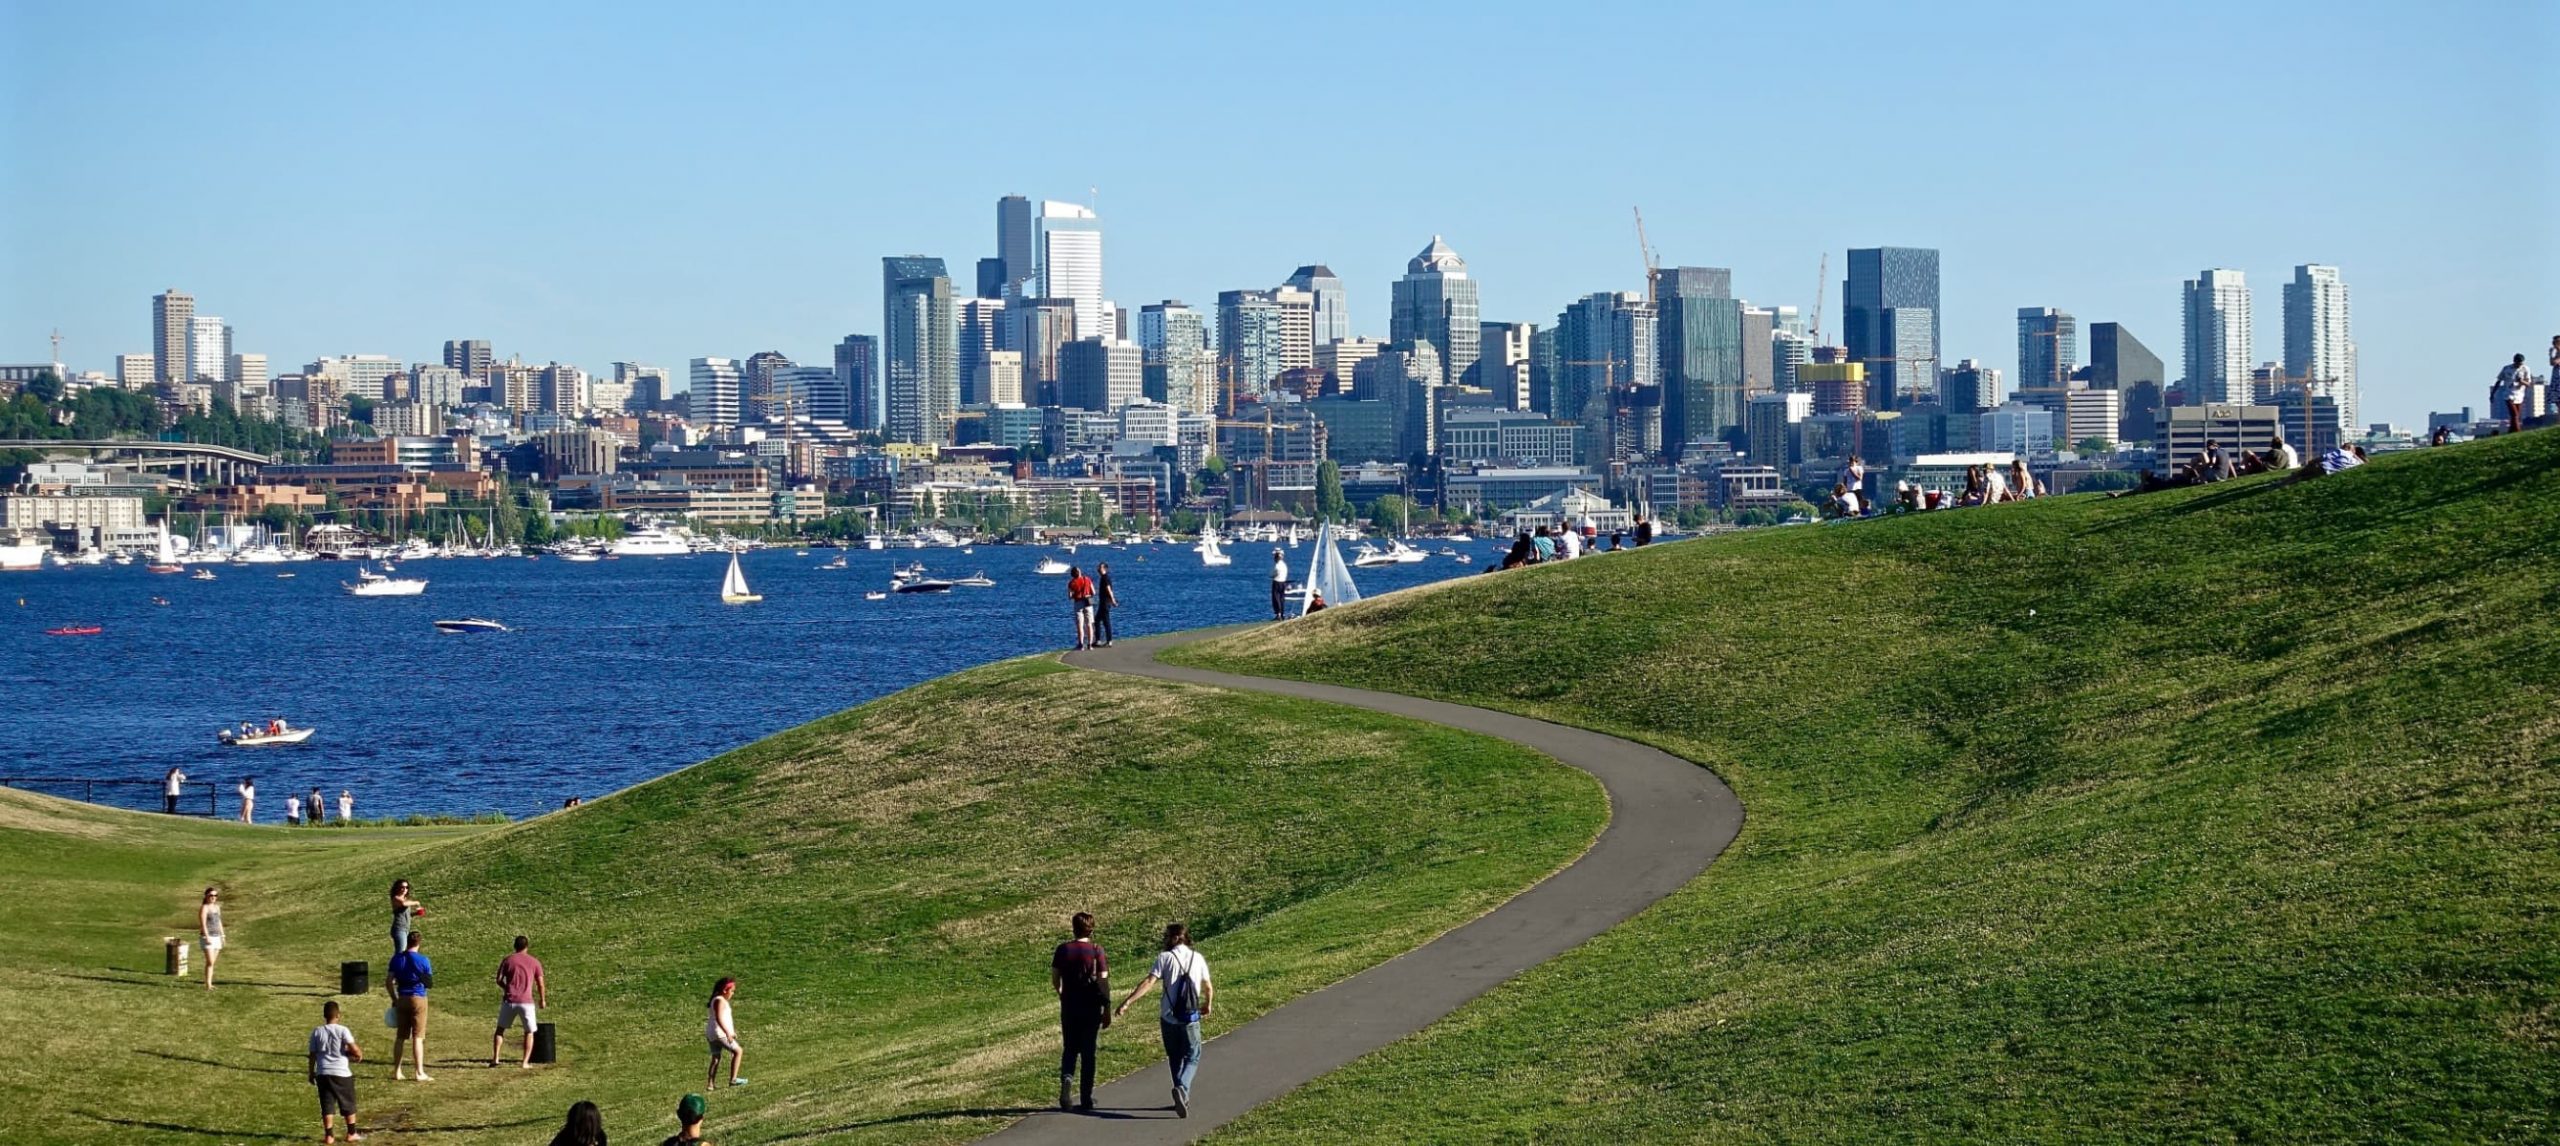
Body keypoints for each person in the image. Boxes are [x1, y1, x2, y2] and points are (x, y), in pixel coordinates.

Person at [1115, 922, 1214, 1119]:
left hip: (1168, 1017)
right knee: (1193, 1055)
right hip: (1190, 1017)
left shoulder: (1165, 958)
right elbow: (1208, 986)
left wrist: (1127, 1002)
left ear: (1176, 937)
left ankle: (1180, 1090)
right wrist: (1207, 1005)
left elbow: (1149, 982)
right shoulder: (1198, 958)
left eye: (1167, 936)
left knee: (1175, 1057)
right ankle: (1182, 1089)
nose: (1165, 940)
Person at [1051, 911, 1110, 1112]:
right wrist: (1107, 1008)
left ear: (1073, 928)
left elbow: (1055, 978)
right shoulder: (1096, 951)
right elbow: (1103, 981)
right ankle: (1086, 1097)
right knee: (1088, 1053)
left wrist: (1061, 993)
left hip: (1069, 1006)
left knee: (1070, 1048)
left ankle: (1067, 1079)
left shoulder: (1063, 950)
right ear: (1091, 929)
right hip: (1091, 1008)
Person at [308, 1000, 365, 1144]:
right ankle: (351, 1133)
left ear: (324, 1015)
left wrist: (311, 1072)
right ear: (338, 1015)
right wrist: (358, 1055)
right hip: (341, 1073)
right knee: (348, 1103)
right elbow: (354, 1049)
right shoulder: (342, 1030)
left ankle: (329, 1136)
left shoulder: (317, 1031)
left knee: (327, 1104)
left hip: (323, 1072)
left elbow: (313, 1054)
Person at [492, 935, 547, 1069]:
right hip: (526, 1002)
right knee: (529, 1032)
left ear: (515, 946)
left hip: (509, 1000)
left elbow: (498, 979)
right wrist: (542, 999)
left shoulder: (508, 960)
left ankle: (496, 1058)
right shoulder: (534, 962)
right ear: (527, 946)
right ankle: (524, 1062)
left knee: (500, 1030)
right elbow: (540, 983)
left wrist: (507, 987)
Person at [388, 933, 434, 1081]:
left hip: (402, 997)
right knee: (418, 1037)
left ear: (407, 942)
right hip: (418, 997)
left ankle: (397, 1071)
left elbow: (389, 981)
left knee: (400, 1037)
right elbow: (429, 983)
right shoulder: (423, 960)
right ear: (419, 943)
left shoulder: (397, 959)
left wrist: (394, 998)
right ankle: (419, 1072)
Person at [705, 977, 745, 1088]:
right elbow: (719, 1018)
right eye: (731, 991)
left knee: (716, 1057)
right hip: (720, 1033)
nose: (732, 994)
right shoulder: (720, 1000)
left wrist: (731, 1031)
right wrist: (727, 1033)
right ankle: (733, 1079)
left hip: (712, 1033)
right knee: (738, 1051)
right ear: (724, 990)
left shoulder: (716, 999)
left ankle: (710, 1084)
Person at [197, 887, 224, 990]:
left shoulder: (217, 907)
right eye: (211, 895)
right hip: (207, 937)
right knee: (210, 961)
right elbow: (203, 923)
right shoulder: (204, 908)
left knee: (212, 963)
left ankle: (209, 983)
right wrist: (207, 936)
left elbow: (219, 922)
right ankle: (208, 984)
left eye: (215, 895)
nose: (213, 897)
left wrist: (223, 935)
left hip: (217, 936)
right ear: (206, 896)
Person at [2494, 354, 2528, 433]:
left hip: (2519, 394)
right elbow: (2498, 381)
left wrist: (2521, 381)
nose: (2519, 365)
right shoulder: (2506, 368)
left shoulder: (2525, 369)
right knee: (2514, 414)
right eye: (2518, 363)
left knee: (2516, 416)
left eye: (2521, 363)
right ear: (2514, 361)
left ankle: (2511, 431)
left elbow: (2528, 383)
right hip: (2508, 394)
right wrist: (2493, 394)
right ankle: (2518, 431)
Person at [389, 880, 423, 958]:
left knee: (404, 951)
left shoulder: (405, 899)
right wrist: (416, 902)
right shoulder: (396, 898)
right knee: (401, 952)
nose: (404, 889)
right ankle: (396, 969)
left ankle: (400, 968)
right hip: (399, 928)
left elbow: (405, 914)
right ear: (397, 888)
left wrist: (415, 913)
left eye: (406, 887)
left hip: (406, 928)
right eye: (402, 887)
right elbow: (404, 904)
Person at [1065, 565, 1095, 650]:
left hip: (1078, 603)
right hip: (1088, 603)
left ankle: (1081, 644)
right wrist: (1087, 594)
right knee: (1089, 624)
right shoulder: (1087, 579)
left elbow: (1070, 596)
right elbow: (1093, 592)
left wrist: (1076, 594)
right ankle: (1090, 644)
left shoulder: (1071, 583)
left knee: (1080, 625)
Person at [1091, 562, 1119, 648]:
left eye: (1100, 567)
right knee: (1097, 620)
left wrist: (1113, 600)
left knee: (1106, 621)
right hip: (1103, 602)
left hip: (1105, 603)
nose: (1098, 569)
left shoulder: (1105, 578)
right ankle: (1099, 640)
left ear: (1104, 569)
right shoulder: (1103, 577)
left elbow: (1109, 589)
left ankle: (1108, 640)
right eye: (1098, 567)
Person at [1268, 549, 1288, 622]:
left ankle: (1278, 614)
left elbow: (1274, 574)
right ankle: (1282, 614)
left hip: (1277, 582)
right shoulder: (1284, 565)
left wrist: (1271, 575)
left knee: (1276, 599)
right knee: (1282, 599)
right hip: (1283, 582)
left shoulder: (1277, 565)